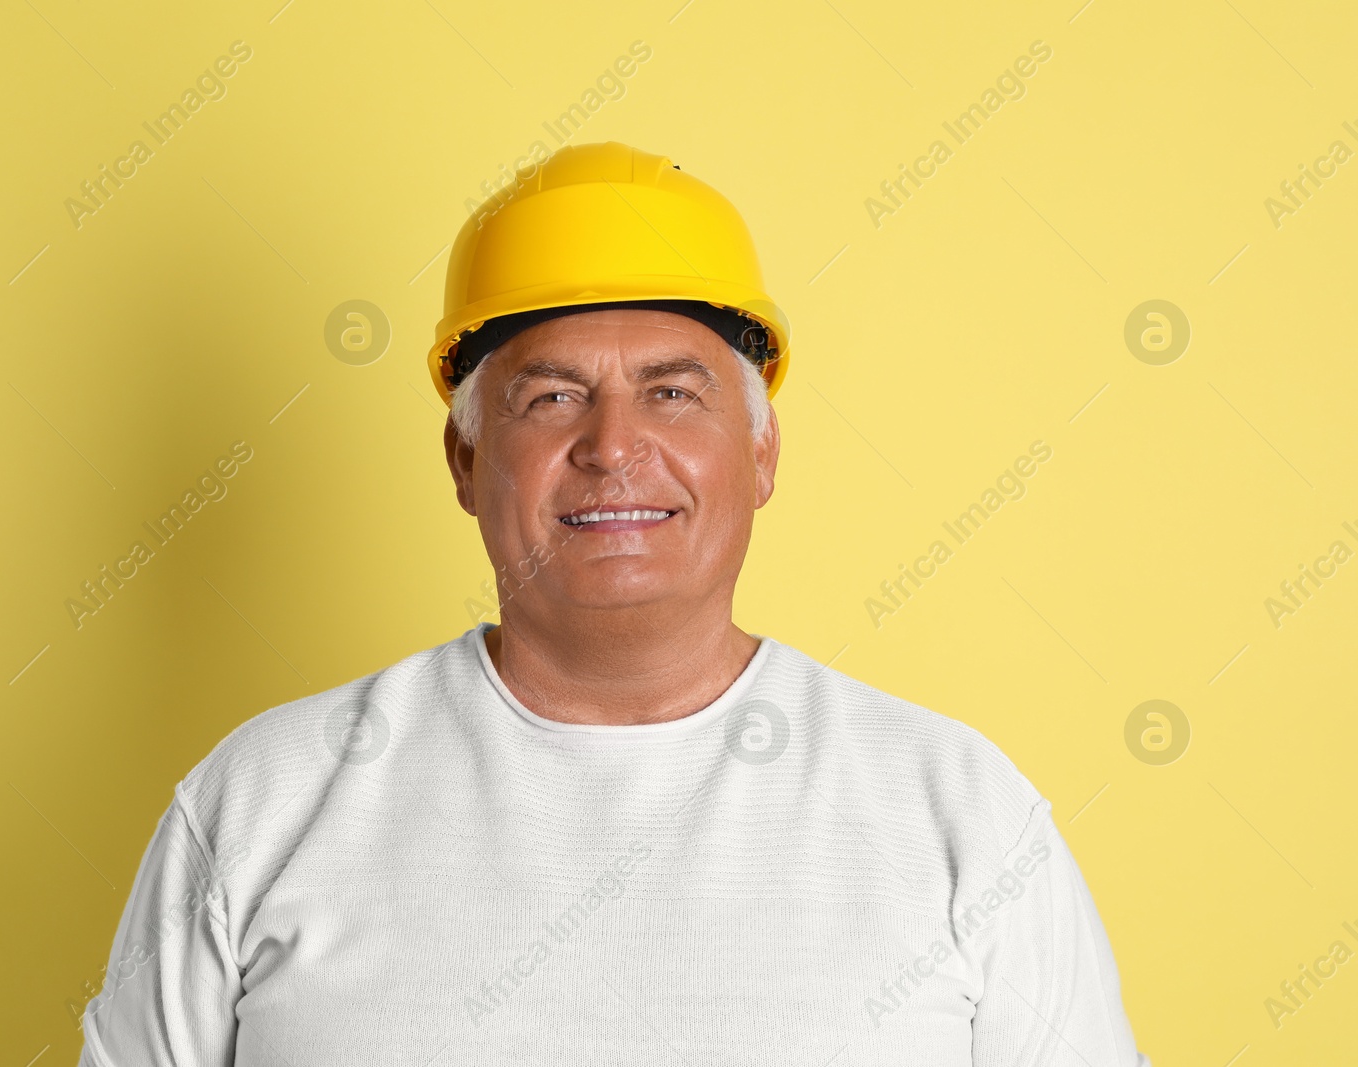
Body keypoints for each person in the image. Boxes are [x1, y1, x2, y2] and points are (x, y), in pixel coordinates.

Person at [77, 141, 1150, 1065]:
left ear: (761, 452)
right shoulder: (261, 804)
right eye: (551, 396)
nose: (612, 446)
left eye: (672, 391)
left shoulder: (957, 811)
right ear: (463, 456)